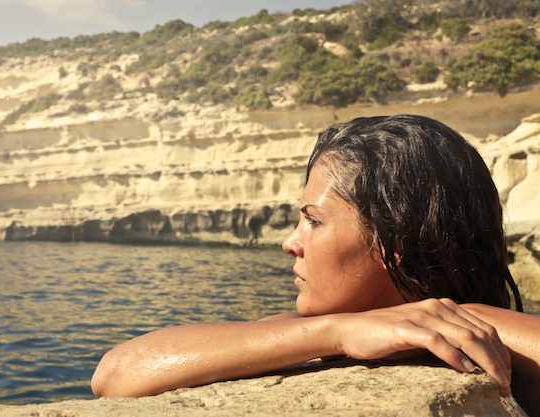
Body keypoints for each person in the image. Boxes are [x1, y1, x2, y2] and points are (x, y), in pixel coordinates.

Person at [91, 115, 540, 413]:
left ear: (395, 241)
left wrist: (466, 315)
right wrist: (340, 330)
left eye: (313, 221)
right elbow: (115, 373)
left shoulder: (491, 337)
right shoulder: (322, 333)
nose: (290, 243)